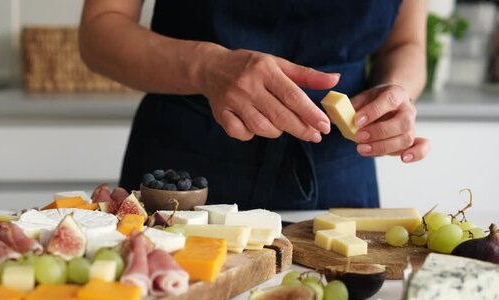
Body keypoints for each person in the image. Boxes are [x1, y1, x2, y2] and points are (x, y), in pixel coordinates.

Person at [79, 0, 430, 210]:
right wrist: (206, 66)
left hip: (338, 168)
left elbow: (405, 44)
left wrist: (395, 91)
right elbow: (100, 29)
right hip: (184, 167)